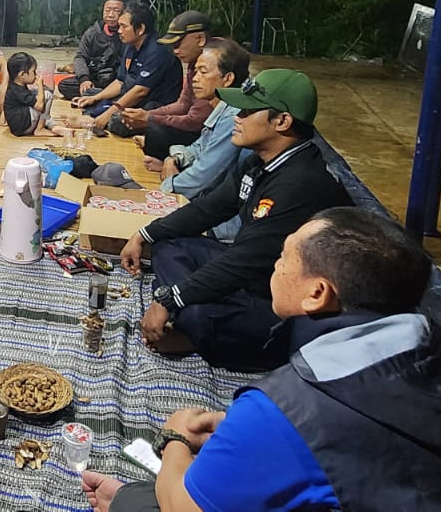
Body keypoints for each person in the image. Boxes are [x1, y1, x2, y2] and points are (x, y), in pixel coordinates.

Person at [82, 208, 441, 512]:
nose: (276, 265)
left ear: (317, 293)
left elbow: (185, 507)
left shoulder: (288, 406)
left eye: (286, 258)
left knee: (153, 501)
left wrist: (174, 439)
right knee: (137, 500)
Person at [120, 69, 353, 372]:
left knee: (198, 312)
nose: (237, 117)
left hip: (288, 302)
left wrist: (169, 299)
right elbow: (209, 208)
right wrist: (145, 234)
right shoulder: (260, 161)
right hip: (258, 276)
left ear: (282, 121)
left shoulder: (299, 184)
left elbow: (243, 262)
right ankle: (191, 319)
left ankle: (194, 331)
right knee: (168, 246)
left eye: (247, 111)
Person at [149, 37, 251, 241]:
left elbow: (203, 175)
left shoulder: (233, 116)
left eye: (203, 72)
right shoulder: (221, 109)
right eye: (195, 72)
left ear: (227, 79)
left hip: (224, 227)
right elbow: (198, 147)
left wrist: (168, 184)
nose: (195, 78)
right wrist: (172, 160)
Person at [70, 2, 183, 136]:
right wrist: (95, 98)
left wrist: (109, 113)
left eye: (124, 26)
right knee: (89, 93)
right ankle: (98, 113)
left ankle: (92, 120)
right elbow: (120, 82)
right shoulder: (130, 45)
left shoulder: (157, 50)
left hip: (153, 103)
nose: (119, 31)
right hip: (130, 95)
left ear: (140, 29)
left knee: (118, 121)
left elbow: (140, 91)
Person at [123, 11, 212, 157]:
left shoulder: (214, 63)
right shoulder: (194, 60)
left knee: (155, 131)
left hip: (209, 136)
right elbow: (183, 103)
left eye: (178, 44)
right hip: (194, 123)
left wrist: (149, 119)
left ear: (200, 39)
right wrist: (146, 115)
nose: (174, 51)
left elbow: (195, 121)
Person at [58, 0, 128, 99]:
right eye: (107, 10)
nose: (110, 15)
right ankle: (105, 95)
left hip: (117, 80)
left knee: (129, 88)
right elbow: (80, 57)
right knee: (64, 85)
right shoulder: (93, 32)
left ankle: (100, 95)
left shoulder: (127, 33)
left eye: (116, 11)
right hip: (96, 79)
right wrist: (84, 79)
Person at [3, 52, 72, 137]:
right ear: (22, 75)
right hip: (23, 128)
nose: (36, 75)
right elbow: (40, 106)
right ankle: (40, 129)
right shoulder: (18, 90)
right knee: (47, 95)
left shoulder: (14, 86)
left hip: (20, 126)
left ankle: (53, 126)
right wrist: (40, 86)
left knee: (40, 103)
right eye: (33, 72)